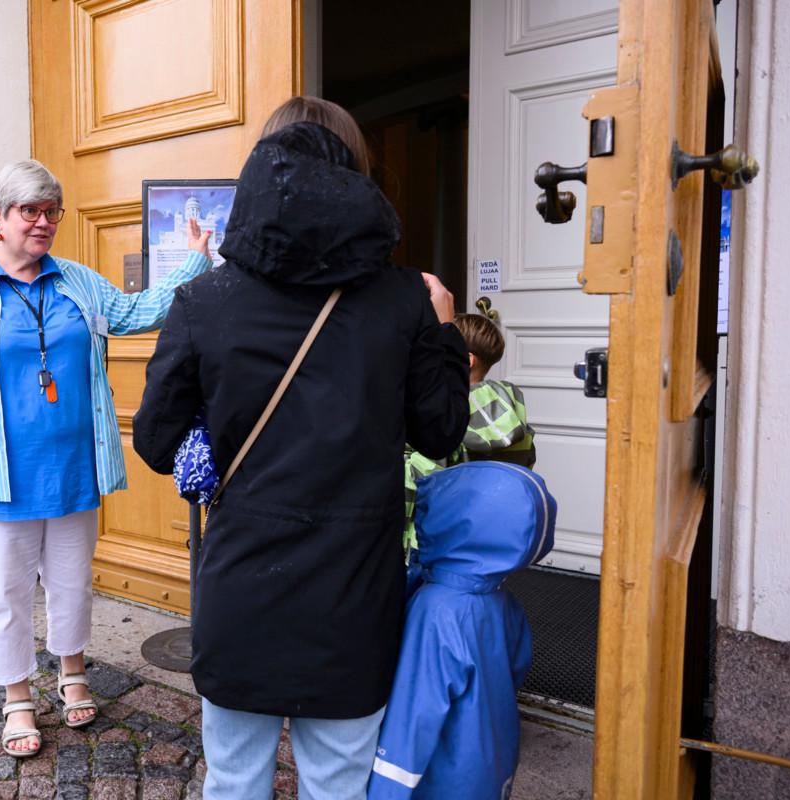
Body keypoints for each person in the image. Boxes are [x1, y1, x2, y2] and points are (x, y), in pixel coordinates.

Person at [131, 96, 470, 799]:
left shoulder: (206, 301)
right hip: (352, 597)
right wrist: (443, 329)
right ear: (355, 171)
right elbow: (440, 434)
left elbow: (158, 443)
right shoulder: (406, 298)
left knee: (233, 781)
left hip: (242, 591)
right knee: (338, 785)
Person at [0, 159, 212, 757]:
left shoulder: (74, 281)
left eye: (51, 212)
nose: (43, 223)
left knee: (71, 585)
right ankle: (18, 696)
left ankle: (72, 673)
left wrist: (195, 263)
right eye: (29, 212)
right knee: (8, 593)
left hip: (71, 468)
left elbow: (136, 313)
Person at [369, 462, 557, 800]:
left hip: (441, 776)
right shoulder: (500, 598)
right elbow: (516, 667)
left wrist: (385, 790)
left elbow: (415, 716)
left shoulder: (437, 610)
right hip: (492, 762)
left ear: (448, 522)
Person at [402, 312, 537, 551]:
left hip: (435, 538)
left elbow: (420, 481)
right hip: (491, 534)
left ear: (466, 359)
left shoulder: (446, 417)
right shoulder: (508, 411)